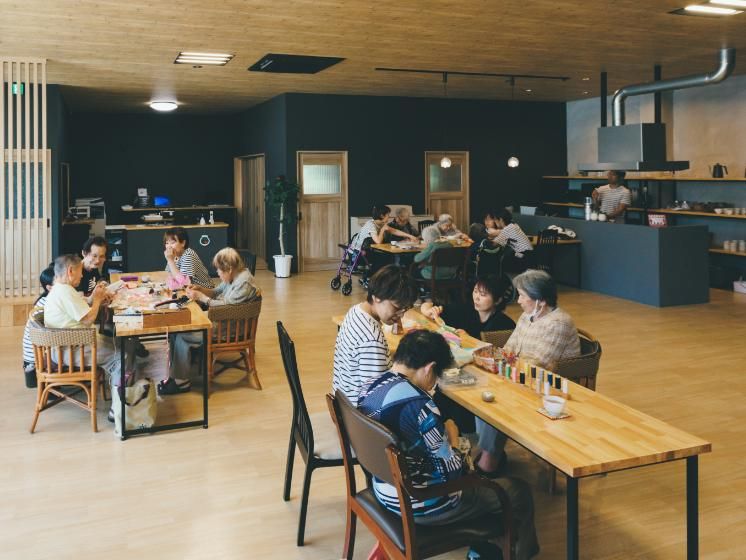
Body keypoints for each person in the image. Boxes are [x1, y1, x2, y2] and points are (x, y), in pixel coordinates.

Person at [357, 330, 539, 560]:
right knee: (518, 491)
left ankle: (486, 549)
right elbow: (452, 473)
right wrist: (452, 436)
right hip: (422, 503)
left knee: (485, 484)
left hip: (384, 489)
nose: (434, 383)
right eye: (437, 376)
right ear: (430, 368)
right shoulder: (420, 406)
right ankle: (517, 553)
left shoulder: (370, 387)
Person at [475, 270, 580, 477]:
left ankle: (489, 462)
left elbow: (539, 364)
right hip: (524, 377)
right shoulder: (528, 316)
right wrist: (502, 361)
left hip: (551, 387)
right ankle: (490, 452)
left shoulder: (559, 323)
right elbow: (509, 349)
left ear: (541, 301)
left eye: (523, 295)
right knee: (481, 390)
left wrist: (505, 363)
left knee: (497, 399)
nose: (519, 301)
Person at [163, 248, 260, 395]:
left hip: (229, 328)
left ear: (229, 269)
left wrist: (201, 297)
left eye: (220, 270)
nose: (218, 273)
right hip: (223, 320)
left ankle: (181, 382)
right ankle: (177, 374)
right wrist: (200, 289)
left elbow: (226, 307)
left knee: (182, 334)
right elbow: (216, 292)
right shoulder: (236, 275)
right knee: (177, 329)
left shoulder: (243, 283)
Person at [332, 264, 418, 406]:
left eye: (405, 309)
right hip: (359, 415)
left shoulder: (355, 311)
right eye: (397, 307)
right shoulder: (371, 339)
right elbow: (377, 399)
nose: (401, 315)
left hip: (345, 404)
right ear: (378, 296)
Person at [421, 274, 515, 339]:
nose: (476, 298)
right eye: (475, 291)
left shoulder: (504, 325)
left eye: (483, 295)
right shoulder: (465, 309)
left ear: (498, 300)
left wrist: (468, 338)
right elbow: (428, 305)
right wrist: (428, 311)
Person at [22, 265, 55, 388]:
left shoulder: (44, 299)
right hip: (37, 361)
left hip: (32, 359)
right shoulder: (49, 303)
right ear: (49, 287)